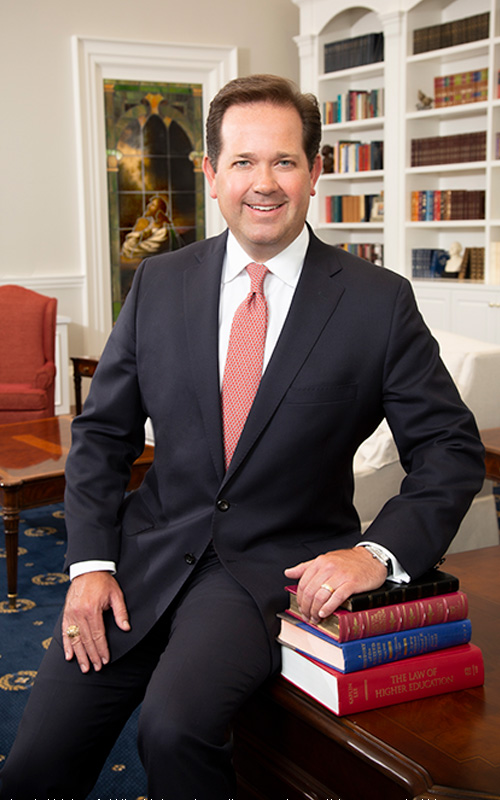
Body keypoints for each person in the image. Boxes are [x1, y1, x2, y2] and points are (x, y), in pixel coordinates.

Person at [0, 74, 484, 800]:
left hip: (265, 577)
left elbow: (450, 447)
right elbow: (102, 436)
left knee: (172, 729)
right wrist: (89, 564)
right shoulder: (159, 283)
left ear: (316, 172)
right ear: (211, 173)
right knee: (33, 763)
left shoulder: (377, 302)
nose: (265, 183)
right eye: (244, 162)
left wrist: (375, 554)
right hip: (139, 561)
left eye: (285, 161)